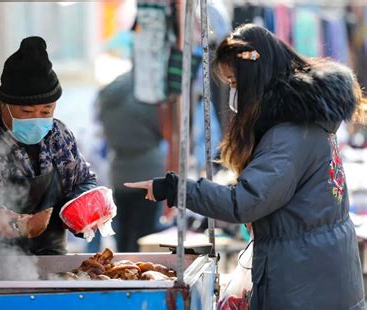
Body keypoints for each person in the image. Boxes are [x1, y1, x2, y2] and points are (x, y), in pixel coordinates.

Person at [125, 24, 365, 309]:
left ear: (254, 79)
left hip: (303, 284)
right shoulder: (309, 122)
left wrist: (176, 188)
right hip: (322, 275)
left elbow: (245, 203)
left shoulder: (288, 135)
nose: (233, 95)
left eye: (234, 84)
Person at [0, 37, 96, 256]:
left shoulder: (58, 136)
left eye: (46, 111)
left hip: (50, 258)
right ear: (4, 103)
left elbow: (82, 180)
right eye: (26, 112)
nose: (37, 118)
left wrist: (84, 205)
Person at [97, 72, 166, 252]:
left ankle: (123, 272)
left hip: (118, 170)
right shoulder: (143, 96)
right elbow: (162, 128)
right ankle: (136, 275)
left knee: (123, 232)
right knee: (143, 235)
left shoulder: (106, 97)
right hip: (147, 171)